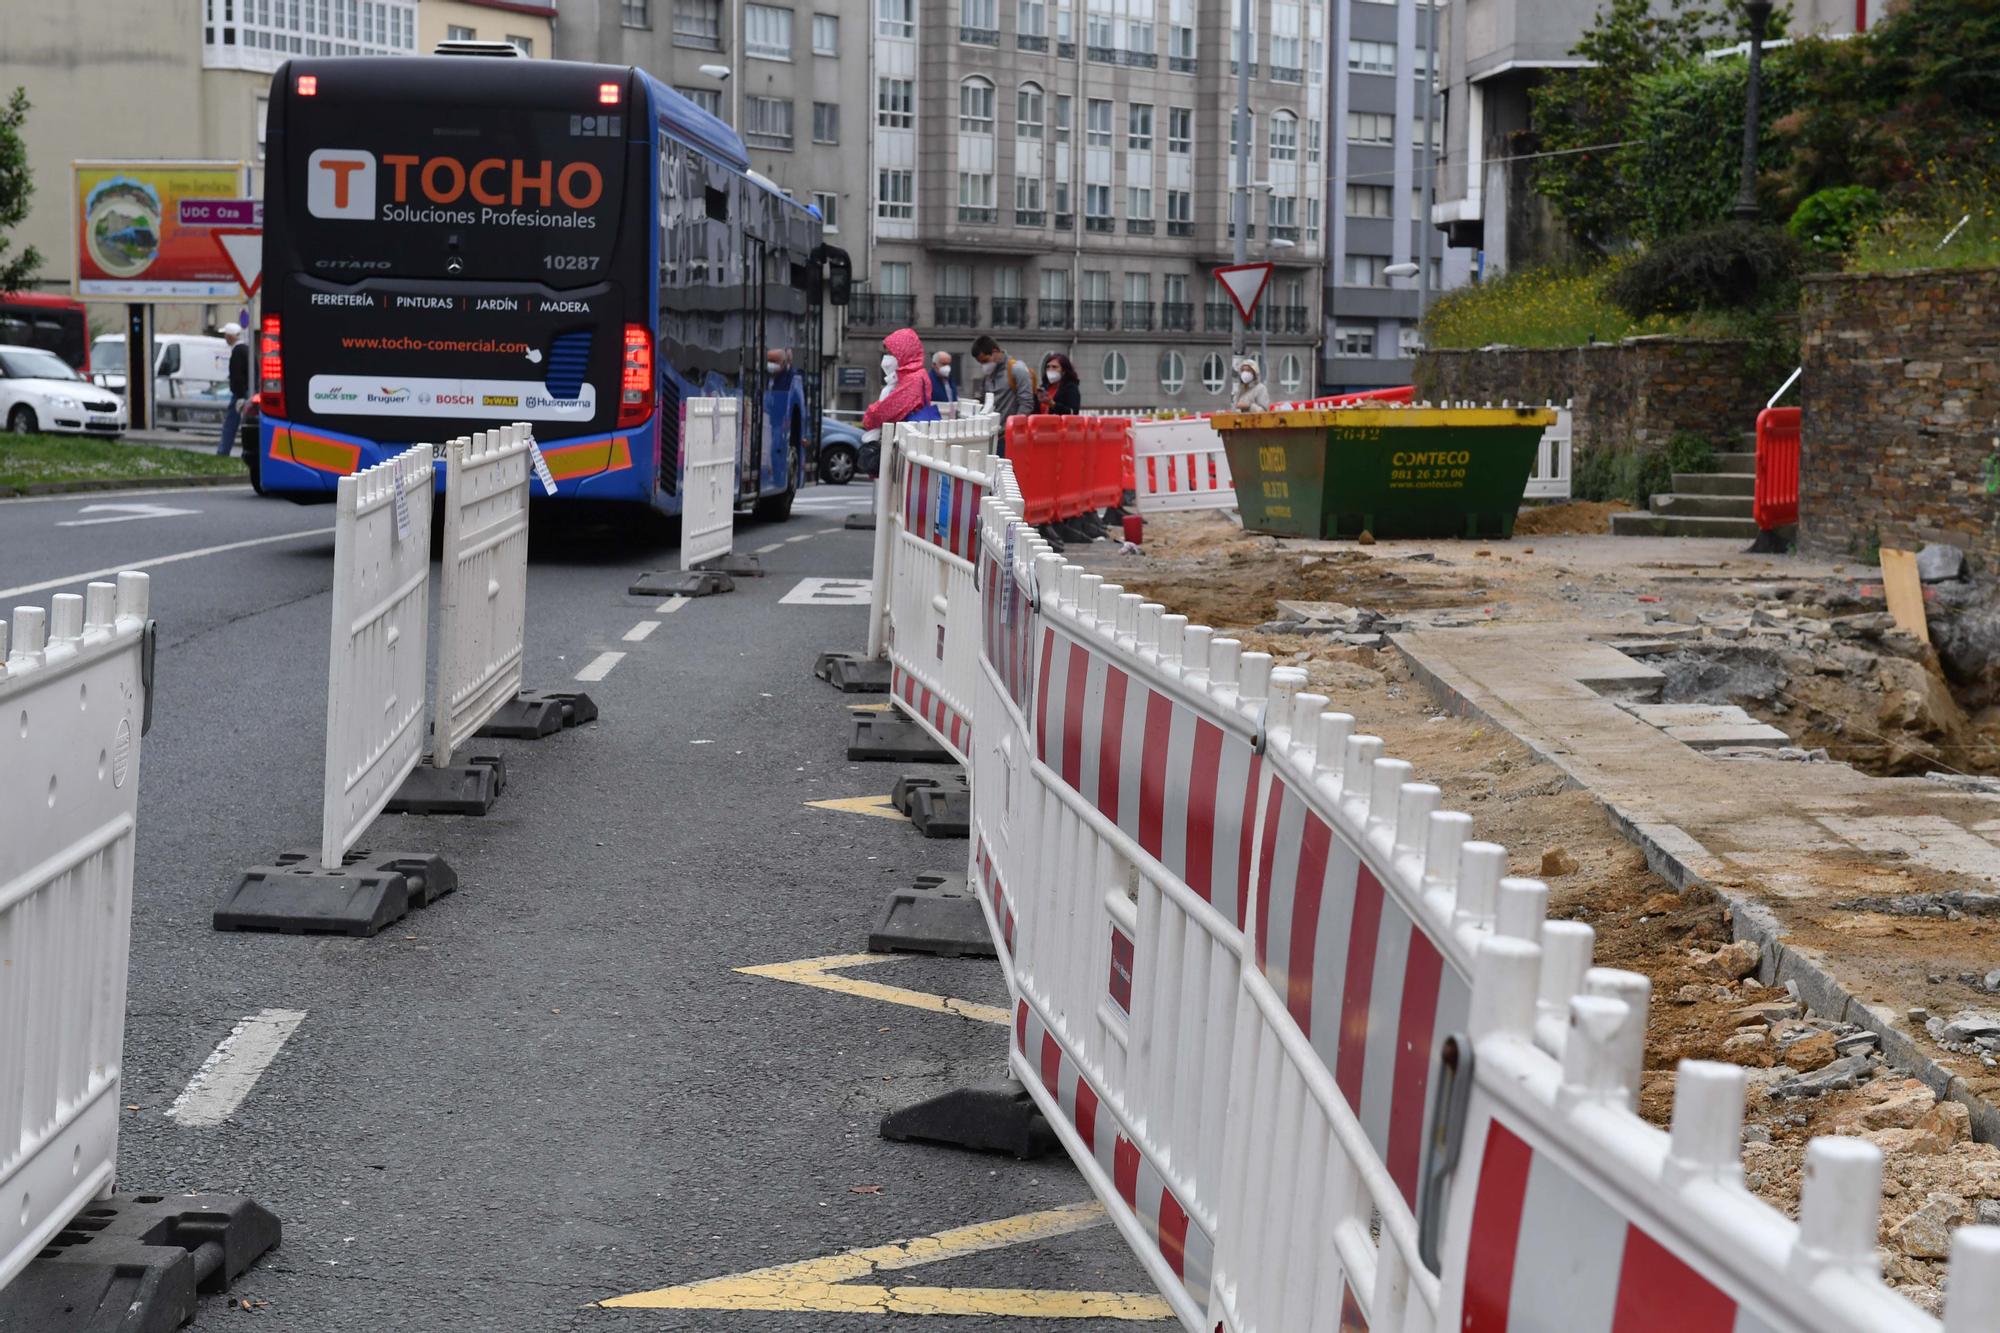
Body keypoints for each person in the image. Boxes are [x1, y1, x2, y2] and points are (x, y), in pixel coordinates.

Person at [861, 328, 939, 437]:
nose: (886, 358)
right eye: (886, 353)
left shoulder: (913, 379)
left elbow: (886, 411)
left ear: (904, 353)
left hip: (907, 439)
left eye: (891, 354)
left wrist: (869, 417)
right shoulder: (909, 375)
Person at [761, 347, 805, 491]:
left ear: (784, 362)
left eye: (774, 361)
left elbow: (791, 398)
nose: (770, 365)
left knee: (777, 448)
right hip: (771, 417)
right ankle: (775, 475)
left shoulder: (791, 377)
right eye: (769, 361)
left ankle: (779, 478)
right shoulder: (769, 376)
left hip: (781, 419)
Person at [969, 334, 1036, 425]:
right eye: (980, 363)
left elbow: (1026, 403)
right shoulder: (988, 374)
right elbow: (983, 401)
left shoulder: (1016, 369)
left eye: (985, 361)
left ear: (995, 351)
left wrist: (1014, 427)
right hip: (992, 432)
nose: (983, 366)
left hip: (1009, 433)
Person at [217, 322, 249, 456]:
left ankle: (223, 451)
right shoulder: (246, 349)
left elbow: (237, 376)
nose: (224, 338)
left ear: (230, 336)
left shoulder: (237, 352)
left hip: (240, 394)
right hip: (249, 392)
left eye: (225, 335)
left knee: (230, 424)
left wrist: (240, 396)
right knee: (247, 425)